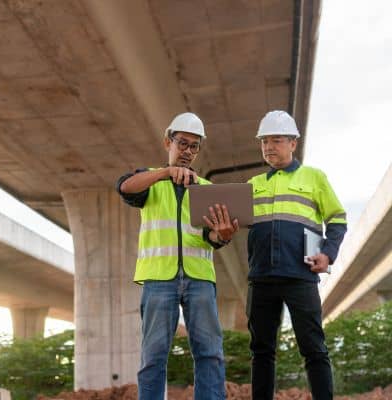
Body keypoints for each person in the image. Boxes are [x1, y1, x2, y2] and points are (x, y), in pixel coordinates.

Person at [116, 112, 239, 400]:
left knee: (210, 353)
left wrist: (223, 235)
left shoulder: (207, 189)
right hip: (159, 279)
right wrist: (165, 172)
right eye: (182, 143)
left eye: (194, 146)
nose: (187, 151)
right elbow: (124, 187)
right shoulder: (150, 181)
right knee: (153, 356)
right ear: (167, 142)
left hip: (199, 280)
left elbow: (210, 238)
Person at [246, 110, 347, 400]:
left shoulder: (314, 177)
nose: (268, 147)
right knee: (261, 352)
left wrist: (328, 254)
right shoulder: (253, 184)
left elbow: (337, 219)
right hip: (261, 277)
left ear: (293, 143)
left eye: (275, 140)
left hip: (300, 276)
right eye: (264, 141)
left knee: (314, 348)